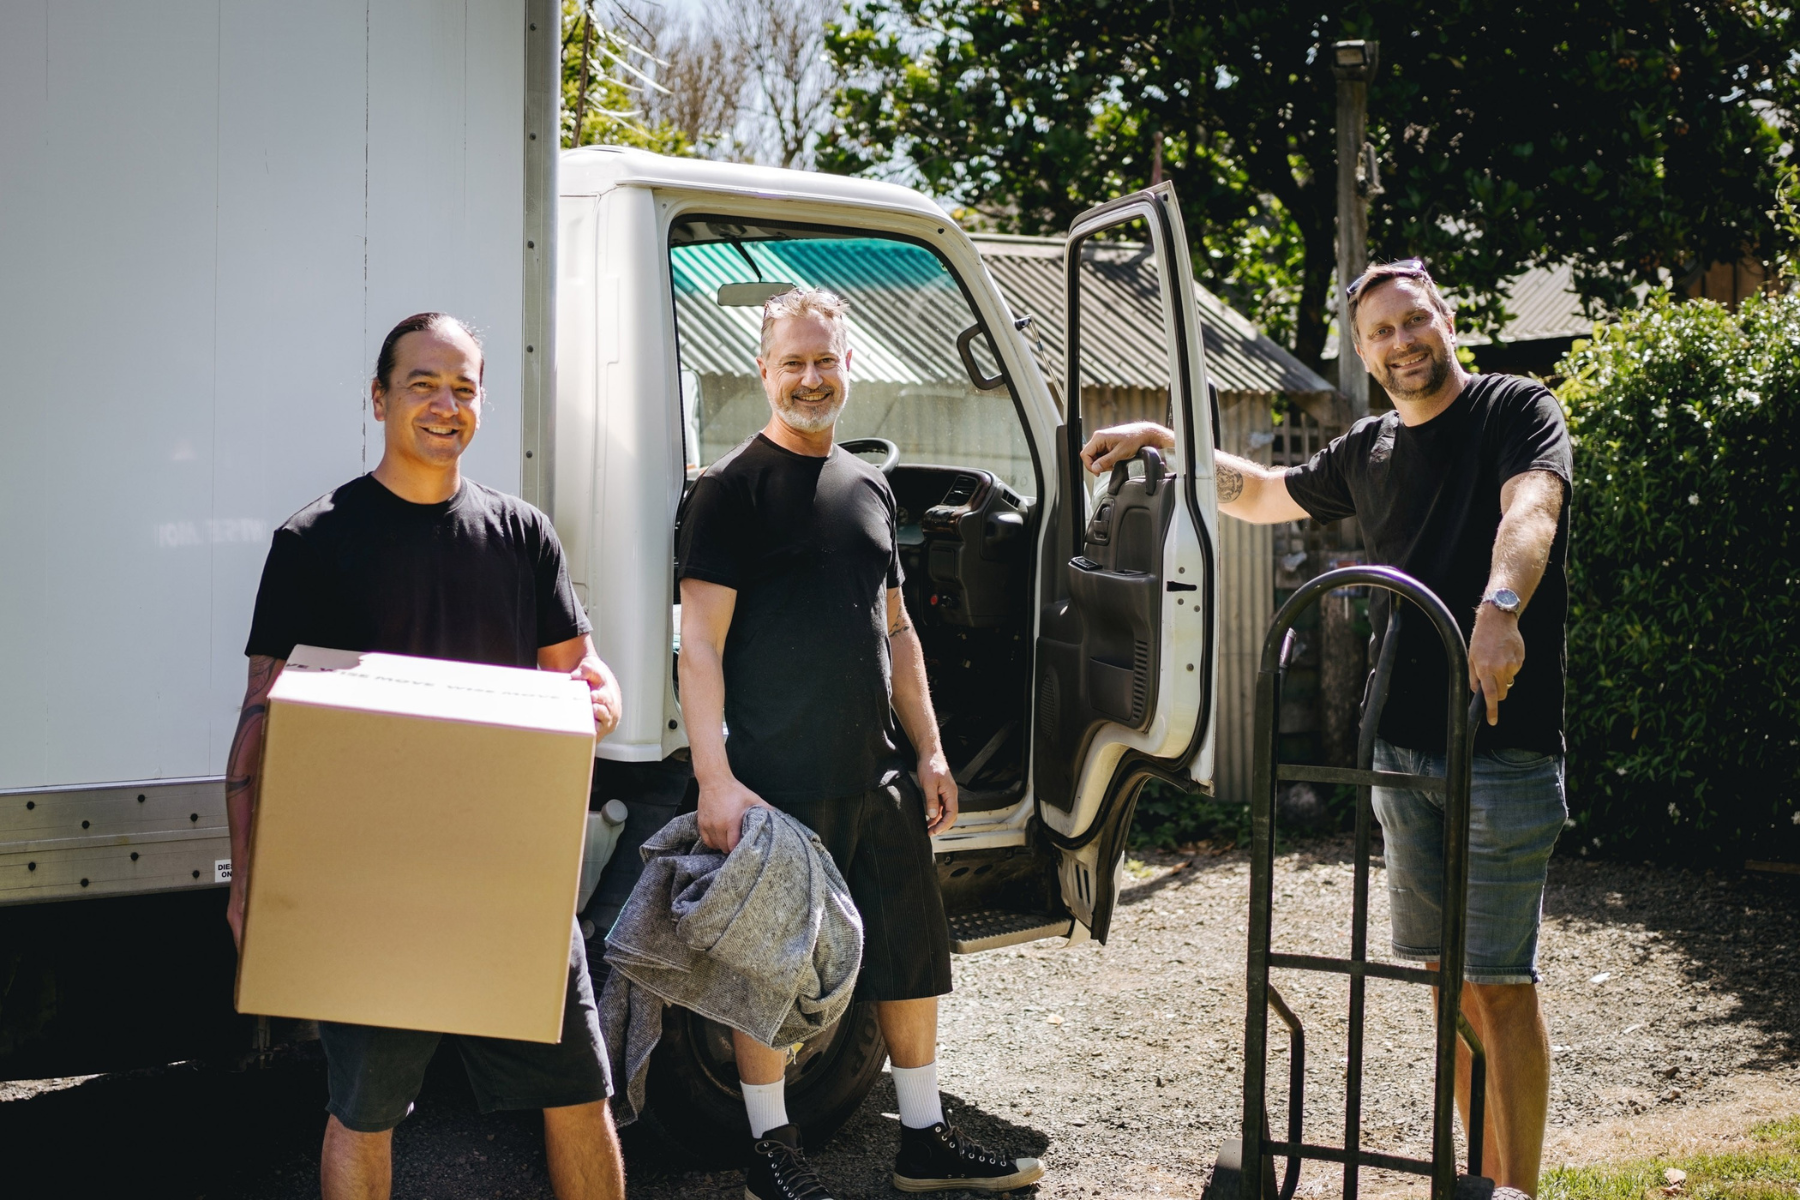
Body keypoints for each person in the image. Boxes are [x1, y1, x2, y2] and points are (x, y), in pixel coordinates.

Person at [1083, 259, 1569, 1197]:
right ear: (1363, 352)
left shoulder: (1514, 408)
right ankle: (1478, 1183)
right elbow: (1264, 492)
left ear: (1446, 318)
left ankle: (1518, 1192)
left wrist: (1501, 603)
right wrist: (1168, 447)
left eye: (1413, 321)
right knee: (1444, 982)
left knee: (1499, 985)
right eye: (1381, 333)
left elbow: (1533, 505)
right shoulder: (1370, 448)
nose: (1402, 343)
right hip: (1400, 748)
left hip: (1501, 741)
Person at [226, 313, 628, 1200]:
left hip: (514, 877)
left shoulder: (523, 534)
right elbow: (261, 722)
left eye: (464, 388)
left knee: (578, 1095)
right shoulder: (314, 541)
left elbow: (581, 670)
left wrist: (604, 694)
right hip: (369, 885)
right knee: (364, 1113)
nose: (447, 405)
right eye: (423, 385)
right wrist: (248, 883)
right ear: (378, 399)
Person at [677, 287, 1046, 1199]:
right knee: (769, 968)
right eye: (792, 363)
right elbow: (700, 645)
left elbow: (899, 628)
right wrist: (716, 778)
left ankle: (922, 1138)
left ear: (848, 366)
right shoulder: (728, 491)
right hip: (775, 779)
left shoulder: (868, 485)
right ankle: (771, 1152)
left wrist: (930, 751)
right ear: (763, 371)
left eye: (824, 361)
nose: (810, 379)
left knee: (909, 956)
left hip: (878, 774)